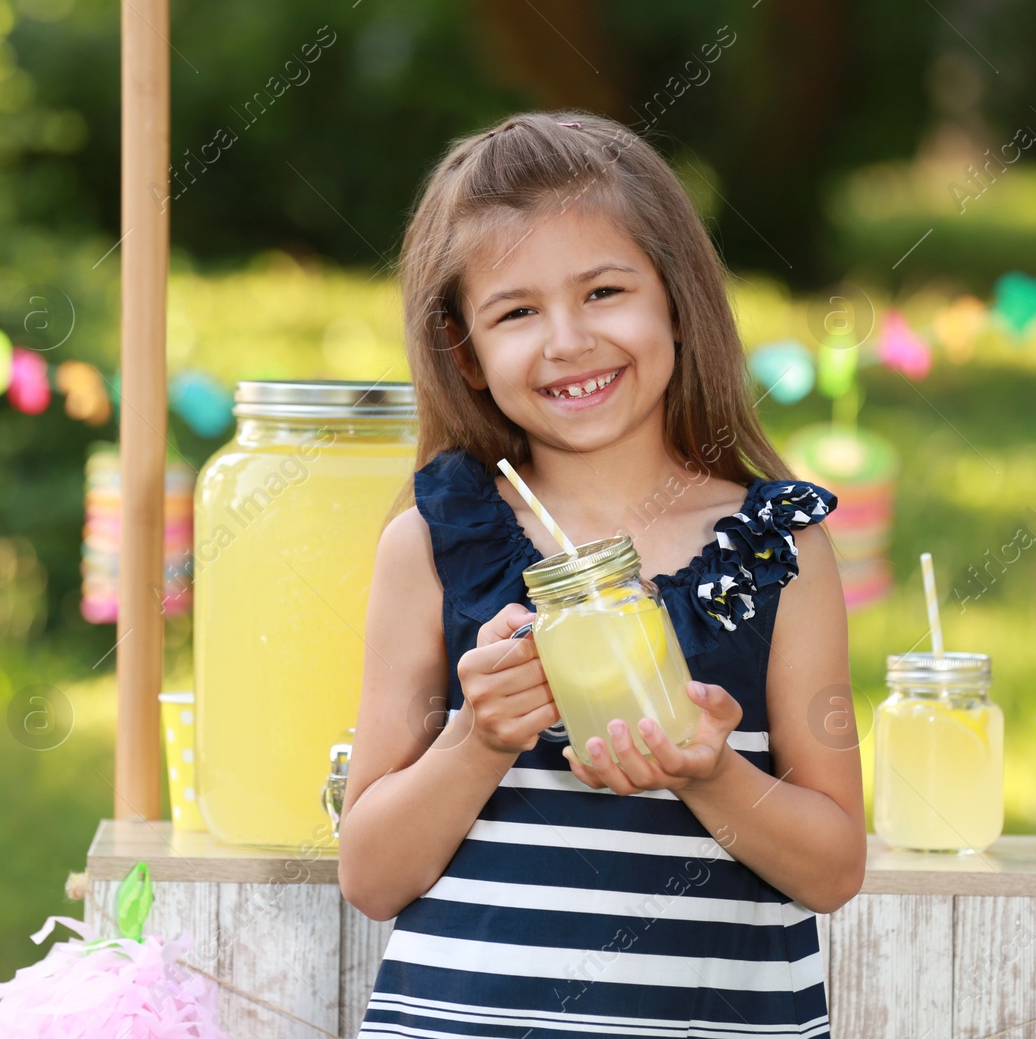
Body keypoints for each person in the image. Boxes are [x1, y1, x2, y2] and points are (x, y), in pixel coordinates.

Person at [338, 109, 865, 1039]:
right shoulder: (433, 543)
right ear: (465, 349)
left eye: (605, 291)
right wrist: (479, 740)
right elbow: (373, 878)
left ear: (676, 297)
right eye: (516, 311)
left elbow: (832, 870)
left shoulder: (778, 552)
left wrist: (710, 775)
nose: (568, 340)